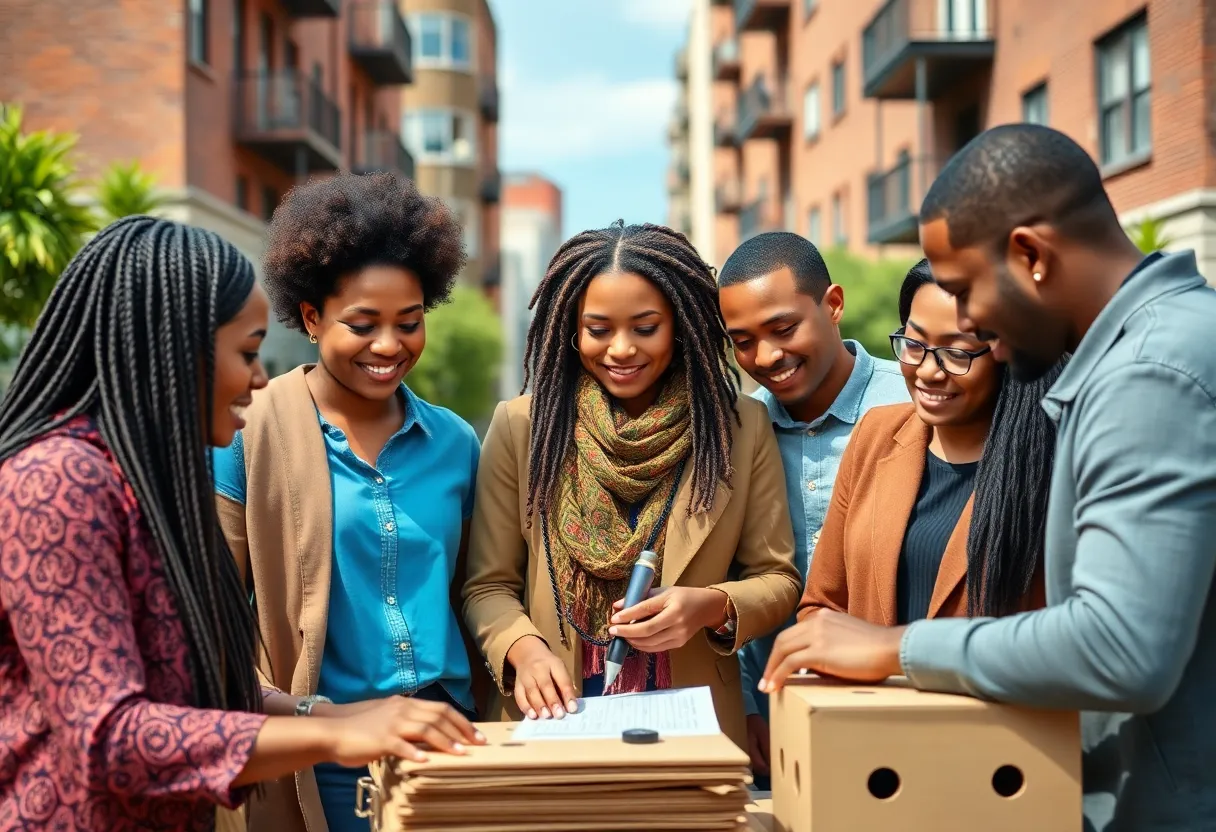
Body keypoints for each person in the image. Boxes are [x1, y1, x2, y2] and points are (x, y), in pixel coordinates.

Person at [760, 124, 1216, 831]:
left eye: (967, 293)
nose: (970, 325)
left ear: (1030, 255)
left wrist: (894, 648)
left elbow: (1121, 647)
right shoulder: (1165, 342)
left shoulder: (1148, 374)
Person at [0, 217, 481, 832]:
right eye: (248, 353)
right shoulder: (58, 483)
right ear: (175, 351)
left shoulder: (137, 480)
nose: (261, 380)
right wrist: (333, 743)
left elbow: (193, 683)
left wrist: (326, 717)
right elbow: (110, 738)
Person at [463, 221, 801, 751]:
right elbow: (487, 586)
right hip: (551, 717)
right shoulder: (523, 427)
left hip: (691, 726)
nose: (621, 349)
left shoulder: (739, 426)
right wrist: (522, 648)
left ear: (680, 327)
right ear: (572, 331)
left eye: (646, 328)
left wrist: (708, 606)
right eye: (599, 330)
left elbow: (777, 578)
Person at [212, 173, 483, 832]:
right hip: (317, 750)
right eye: (362, 324)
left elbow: (478, 587)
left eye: (409, 322)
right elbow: (213, 617)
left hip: (448, 742)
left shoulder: (455, 442)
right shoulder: (247, 428)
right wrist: (307, 721)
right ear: (310, 317)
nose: (389, 345)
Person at [715, 232, 907, 783]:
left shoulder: (914, 404)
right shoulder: (735, 433)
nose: (767, 356)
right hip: (780, 721)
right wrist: (747, 705)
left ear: (834, 304)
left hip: (907, 705)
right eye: (743, 341)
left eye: (783, 329)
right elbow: (731, 577)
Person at [800, 258, 1060, 625]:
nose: (927, 371)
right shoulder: (876, 435)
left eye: (956, 353)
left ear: (1007, 352)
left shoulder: (1052, 462)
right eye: (913, 344)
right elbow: (822, 605)